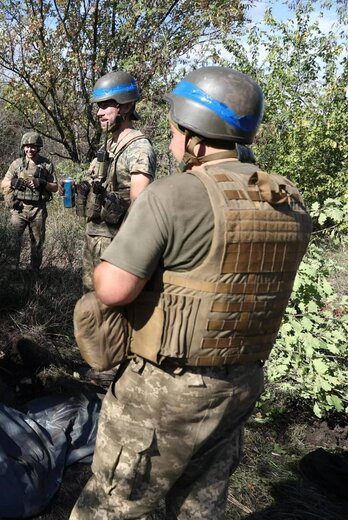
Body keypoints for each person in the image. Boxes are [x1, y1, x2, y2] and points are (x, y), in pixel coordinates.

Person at [71, 66, 312, 518]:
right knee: (200, 505)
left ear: (194, 136)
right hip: (241, 382)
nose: (170, 141)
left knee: (113, 504)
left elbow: (113, 288)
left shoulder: (176, 194)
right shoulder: (286, 198)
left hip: (168, 389)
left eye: (174, 131)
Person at [78, 71, 156, 292]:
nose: (99, 113)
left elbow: (139, 208)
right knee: (90, 307)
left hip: (117, 246)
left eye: (105, 106)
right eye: (97, 107)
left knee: (111, 311)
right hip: (94, 237)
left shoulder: (139, 148)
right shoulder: (107, 147)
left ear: (126, 106)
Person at [0, 131, 58, 271]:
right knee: (13, 240)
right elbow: (3, 183)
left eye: (33, 146)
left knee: (37, 243)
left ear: (38, 147)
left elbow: (55, 187)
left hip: (38, 209)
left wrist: (42, 183)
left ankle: (34, 273)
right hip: (18, 208)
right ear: (23, 147)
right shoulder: (17, 164)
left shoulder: (47, 164)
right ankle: (11, 271)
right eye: (26, 146)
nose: (29, 150)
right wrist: (14, 182)